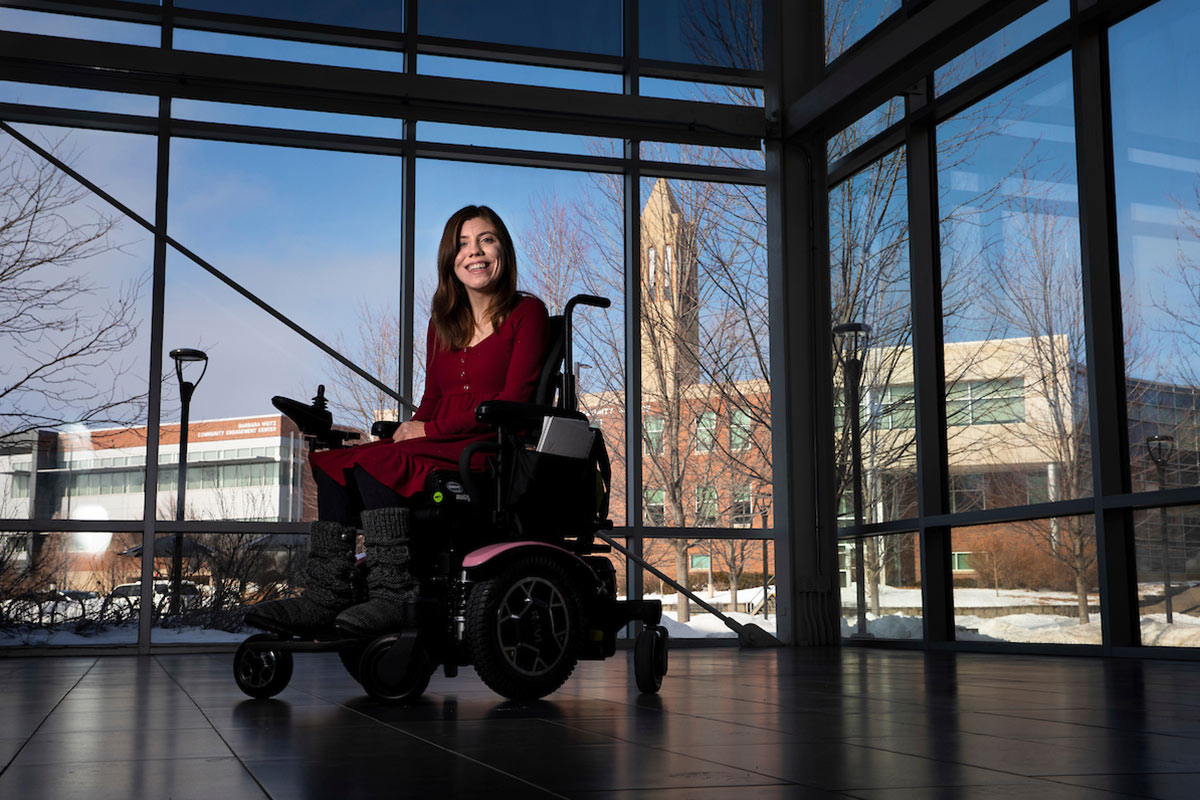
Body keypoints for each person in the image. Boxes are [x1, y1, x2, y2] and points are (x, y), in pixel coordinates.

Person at [246, 205, 549, 638]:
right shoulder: (442, 322)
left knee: (380, 462)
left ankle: (393, 595)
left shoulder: (526, 313)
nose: (475, 252)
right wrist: (414, 426)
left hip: (488, 447)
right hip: (438, 441)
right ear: (450, 260)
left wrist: (429, 430)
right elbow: (434, 398)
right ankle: (325, 595)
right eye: (462, 244)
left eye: (486, 239)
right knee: (337, 462)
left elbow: (515, 401)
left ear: (503, 249)